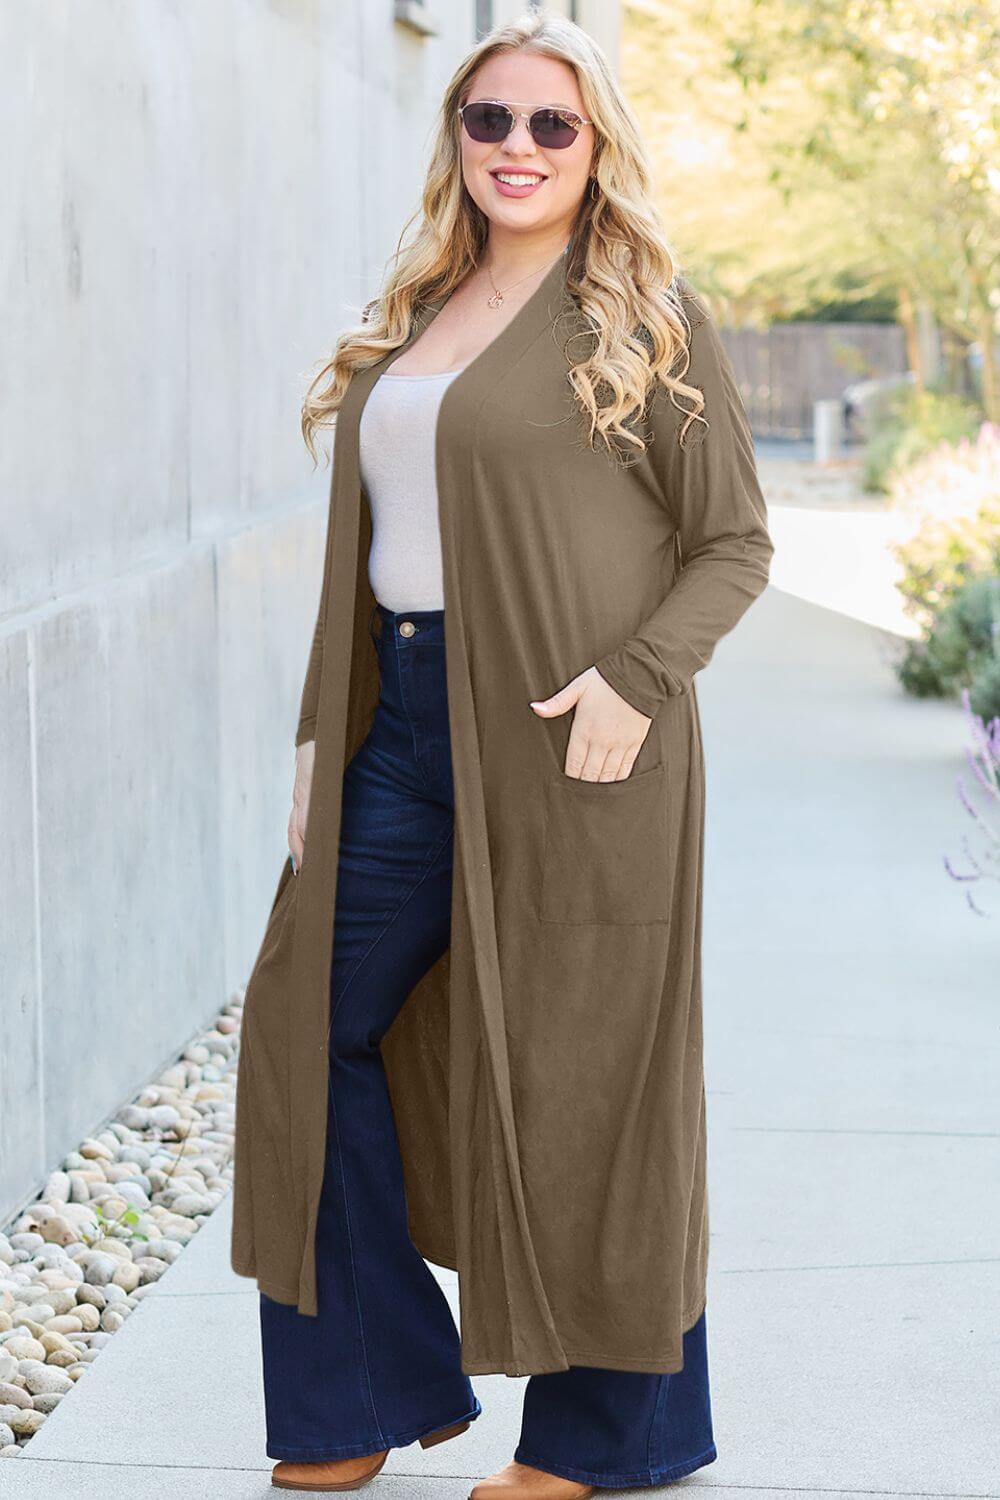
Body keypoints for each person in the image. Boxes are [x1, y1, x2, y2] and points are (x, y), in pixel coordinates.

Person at [229, 9, 774, 1498]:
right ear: (455, 140)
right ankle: (362, 1386)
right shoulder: (420, 308)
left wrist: (637, 681)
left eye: (554, 124)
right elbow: (374, 550)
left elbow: (734, 542)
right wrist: (316, 740)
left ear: (600, 148)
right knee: (303, 1024)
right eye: (492, 121)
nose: (519, 149)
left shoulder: (648, 321)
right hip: (400, 727)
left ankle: (612, 1436)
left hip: (577, 740)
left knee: (591, 1076)